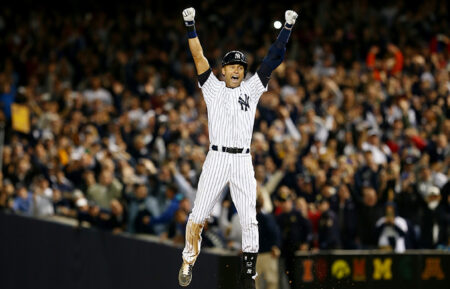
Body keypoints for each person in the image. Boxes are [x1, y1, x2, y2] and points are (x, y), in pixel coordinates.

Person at [178, 7, 299, 288]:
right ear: (223, 70)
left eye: (240, 66)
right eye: (232, 65)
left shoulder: (252, 89)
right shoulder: (212, 87)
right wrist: (190, 25)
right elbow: (198, 56)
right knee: (199, 213)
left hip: (243, 160)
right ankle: (188, 260)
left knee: (249, 217)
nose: (236, 69)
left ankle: (248, 273)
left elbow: (273, 58)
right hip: (217, 156)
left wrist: (287, 29)